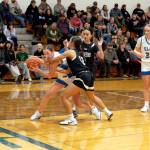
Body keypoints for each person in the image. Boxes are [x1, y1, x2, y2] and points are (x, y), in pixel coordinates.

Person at [30, 41, 101, 120]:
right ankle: (39, 113)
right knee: (48, 94)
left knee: (77, 103)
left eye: (47, 53)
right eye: (44, 54)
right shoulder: (50, 58)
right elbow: (51, 72)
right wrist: (39, 67)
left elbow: (50, 75)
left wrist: (40, 66)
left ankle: (93, 109)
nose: (46, 55)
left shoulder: (56, 58)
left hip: (72, 77)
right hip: (63, 77)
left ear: (53, 51)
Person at [50, 36, 113, 125]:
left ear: (72, 42)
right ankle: (107, 112)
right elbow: (68, 71)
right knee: (92, 97)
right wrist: (56, 69)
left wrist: (46, 60)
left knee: (64, 96)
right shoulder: (77, 53)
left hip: (82, 76)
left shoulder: (70, 52)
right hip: (88, 75)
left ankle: (71, 118)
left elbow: (55, 59)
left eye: (69, 40)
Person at [131, 24, 150, 112]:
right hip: (145, 65)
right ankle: (146, 105)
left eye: (148, 31)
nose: (146, 32)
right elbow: (135, 50)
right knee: (146, 86)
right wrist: (137, 53)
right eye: (145, 31)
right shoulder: (141, 39)